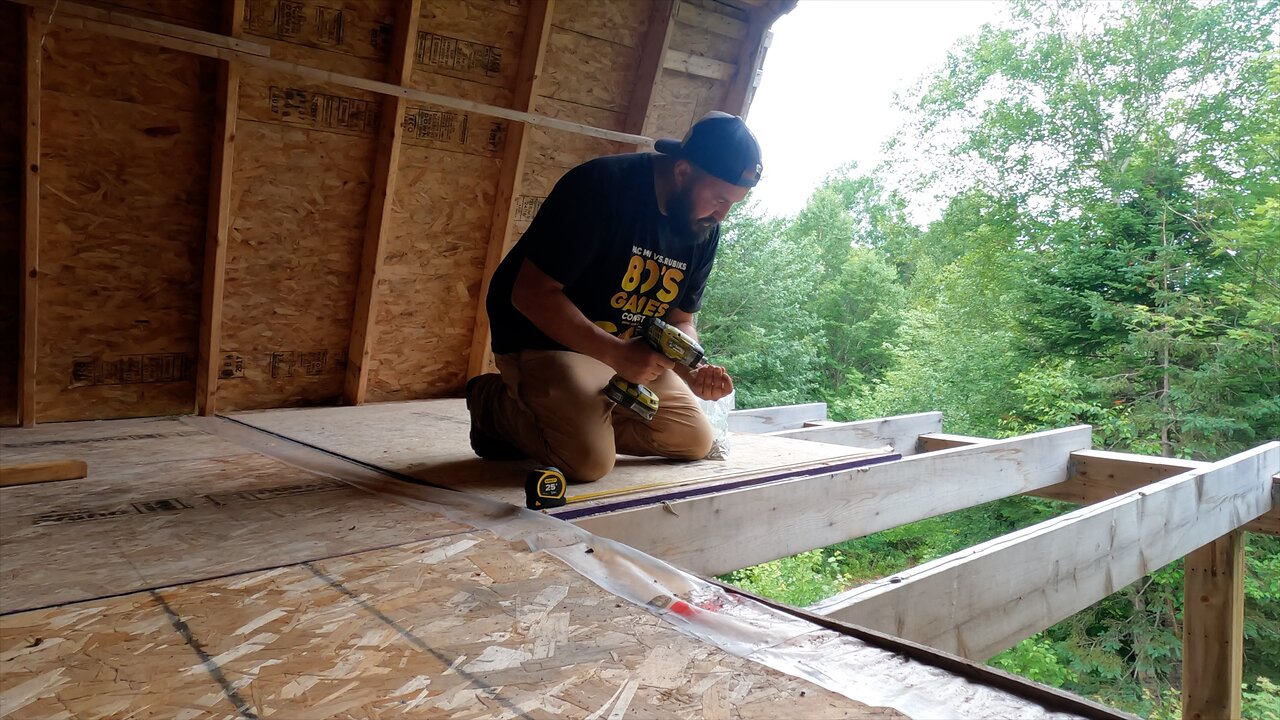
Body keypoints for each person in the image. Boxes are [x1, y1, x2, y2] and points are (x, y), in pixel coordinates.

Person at [466, 111, 763, 482]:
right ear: (684, 171)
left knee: (693, 441)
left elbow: (681, 319)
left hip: (628, 353)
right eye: (720, 199)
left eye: (734, 202)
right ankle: (493, 404)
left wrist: (694, 367)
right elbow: (530, 294)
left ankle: (579, 417)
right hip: (550, 341)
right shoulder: (601, 188)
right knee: (587, 463)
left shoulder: (702, 225)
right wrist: (616, 354)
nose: (723, 214)